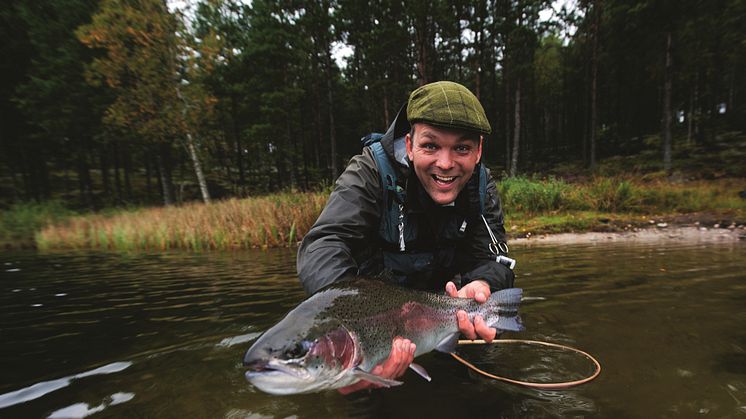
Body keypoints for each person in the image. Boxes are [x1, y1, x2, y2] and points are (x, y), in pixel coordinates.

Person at [297, 81, 514, 394]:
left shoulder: (481, 186)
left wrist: (484, 284)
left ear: (478, 151)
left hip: (447, 313)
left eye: (462, 148)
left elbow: (493, 258)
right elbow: (325, 243)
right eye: (430, 146)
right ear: (410, 144)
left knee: (476, 395)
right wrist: (349, 327)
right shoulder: (369, 172)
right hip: (375, 318)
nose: (445, 163)